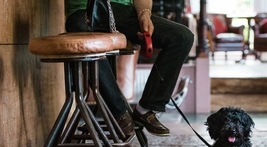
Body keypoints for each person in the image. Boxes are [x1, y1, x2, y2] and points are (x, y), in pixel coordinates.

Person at [64, 0, 194, 137]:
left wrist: (144, 15)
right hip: (83, 11)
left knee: (182, 37)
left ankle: (146, 108)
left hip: (121, 12)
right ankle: (120, 114)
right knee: (87, 41)